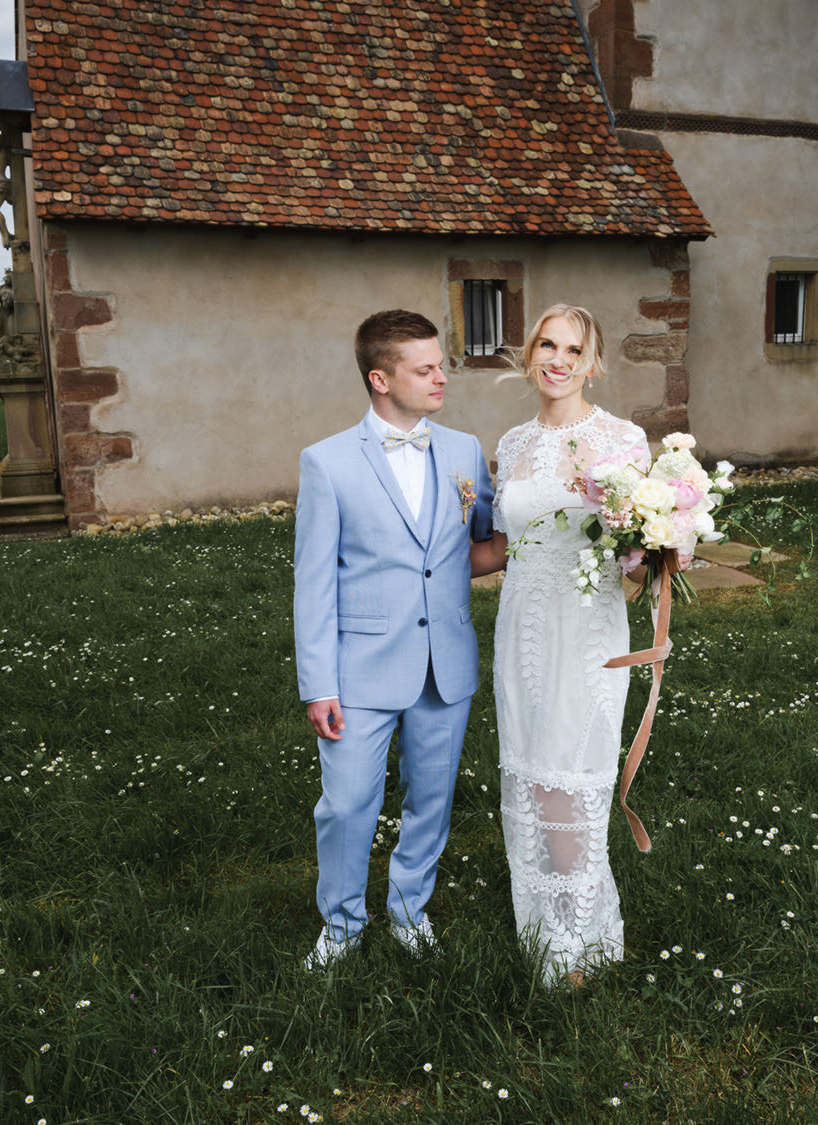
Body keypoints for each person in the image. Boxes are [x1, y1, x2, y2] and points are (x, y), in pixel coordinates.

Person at [294, 309, 496, 970]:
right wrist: (318, 682)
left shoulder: (465, 450)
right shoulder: (326, 463)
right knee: (348, 802)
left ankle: (411, 909)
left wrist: (570, 524)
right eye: (425, 368)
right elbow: (314, 582)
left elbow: (483, 546)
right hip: (360, 667)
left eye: (442, 363)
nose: (443, 377)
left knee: (431, 797)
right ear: (380, 378)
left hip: (446, 662)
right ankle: (343, 922)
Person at [467, 303, 653, 986]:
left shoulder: (621, 438)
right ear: (530, 352)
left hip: (587, 629)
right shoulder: (511, 443)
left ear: (593, 363)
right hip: (523, 628)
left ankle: (579, 940)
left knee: (572, 775)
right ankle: (546, 932)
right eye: (548, 344)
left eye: (574, 350)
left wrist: (659, 546)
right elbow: (502, 548)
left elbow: (637, 549)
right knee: (532, 770)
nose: (558, 360)